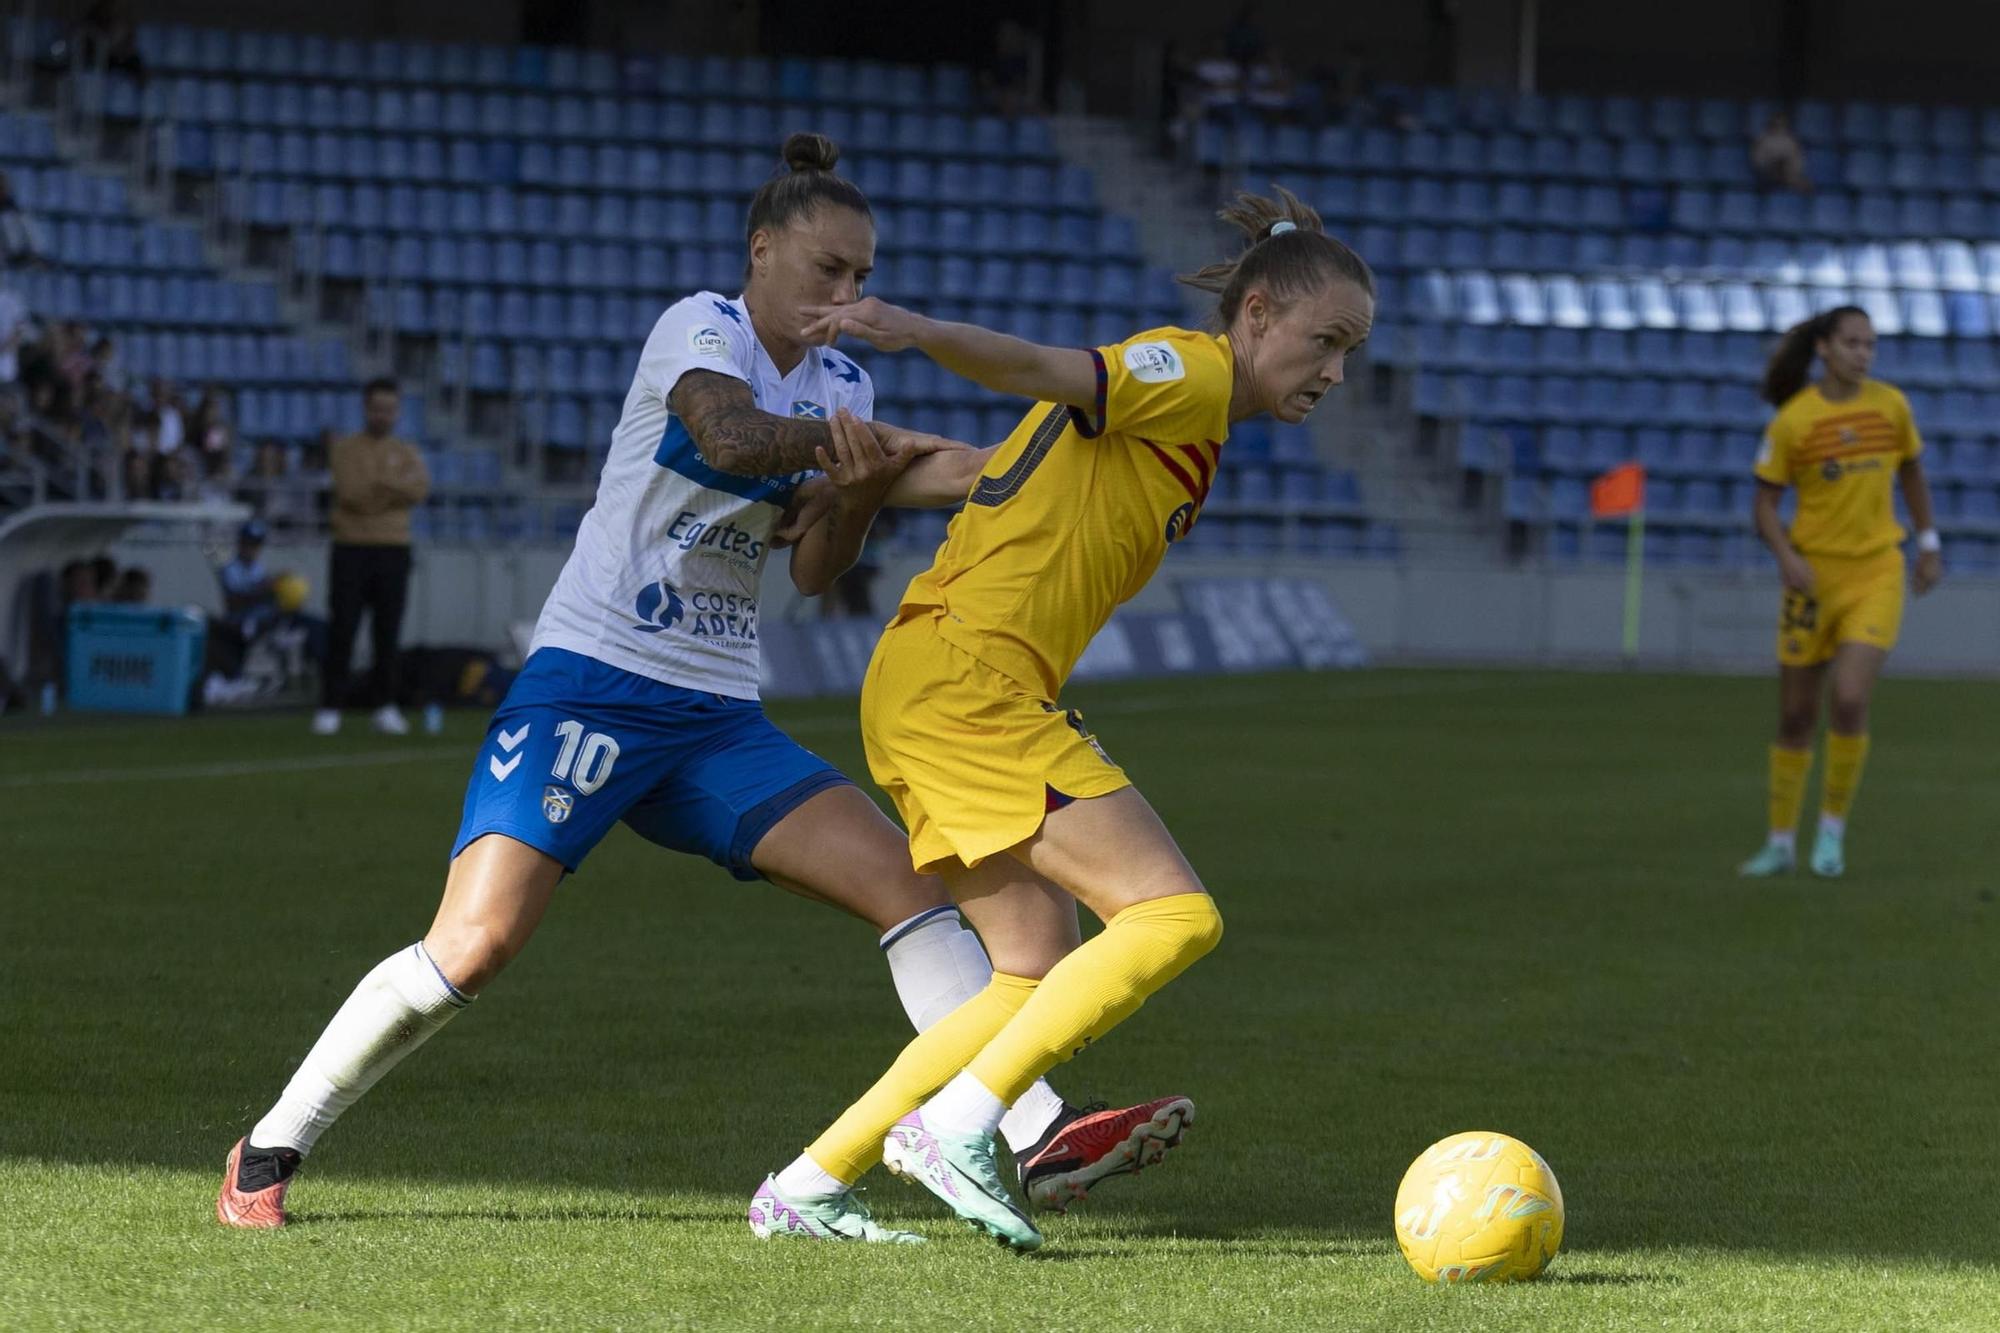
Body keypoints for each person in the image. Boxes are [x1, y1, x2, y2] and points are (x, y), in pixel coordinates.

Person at [217, 133, 1186, 1235]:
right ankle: (272, 1140)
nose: (847, 294)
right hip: (590, 685)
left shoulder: (844, 382)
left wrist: (910, 485)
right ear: (761, 250)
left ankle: (1029, 1128)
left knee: (909, 890)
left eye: (863, 278)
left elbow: (817, 565)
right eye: (829, 269)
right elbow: (726, 439)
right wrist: (861, 453)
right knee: (473, 947)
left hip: (717, 718)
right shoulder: (700, 327)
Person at [753, 187, 1374, 1250]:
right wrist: (915, 331)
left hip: (936, 677)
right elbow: (1047, 371)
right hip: (968, 679)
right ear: (1258, 312)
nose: (1334, 372)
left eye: (1351, 350)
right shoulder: (1191, 371)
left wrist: (863, 458)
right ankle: (954, 1125)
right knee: (1174, 914)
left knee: (1030, 963)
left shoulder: (1193, 422)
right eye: (1325, 341)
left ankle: (809, 1182)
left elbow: (987, 474)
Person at [1739, 307, 1941, 880]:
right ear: (1824, 348)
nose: (1864, 353)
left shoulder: (1891, 406)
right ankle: (1780, 842)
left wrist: (1927, 544)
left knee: (1849, 699)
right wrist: (1786, 557)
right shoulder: (1793, 422)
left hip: (1875, 571)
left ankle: (1830, 834)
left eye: (1871, 345)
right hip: (1812, 580)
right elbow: (1763, 505)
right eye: (1853, 343)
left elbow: (1912, 473)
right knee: (1796, 716)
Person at [314, 378, 429, 736]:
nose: (383, 415)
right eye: (377, 408)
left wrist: (382, 488)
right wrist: (393, 491)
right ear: (366, 409)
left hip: (393, 550)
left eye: (389, 409)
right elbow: (351, 493)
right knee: (343, 628)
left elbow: (419, 489)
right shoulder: (345, 449)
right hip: (350, 548)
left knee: (388, 632)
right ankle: (331, 706)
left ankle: (385, 705)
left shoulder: (406, 450)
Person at [1752, 113, 1811, 193]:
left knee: (1807, 186)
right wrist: (1772, 162)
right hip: (1769, 173)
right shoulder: (1762, 139)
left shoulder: (1791, 141)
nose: (1779, 127)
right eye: (1776, 124)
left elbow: (1799, 161)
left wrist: (1790, 168)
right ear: (1771, 124)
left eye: (1782, 124)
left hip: (1789, 173)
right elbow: (1758, 160)